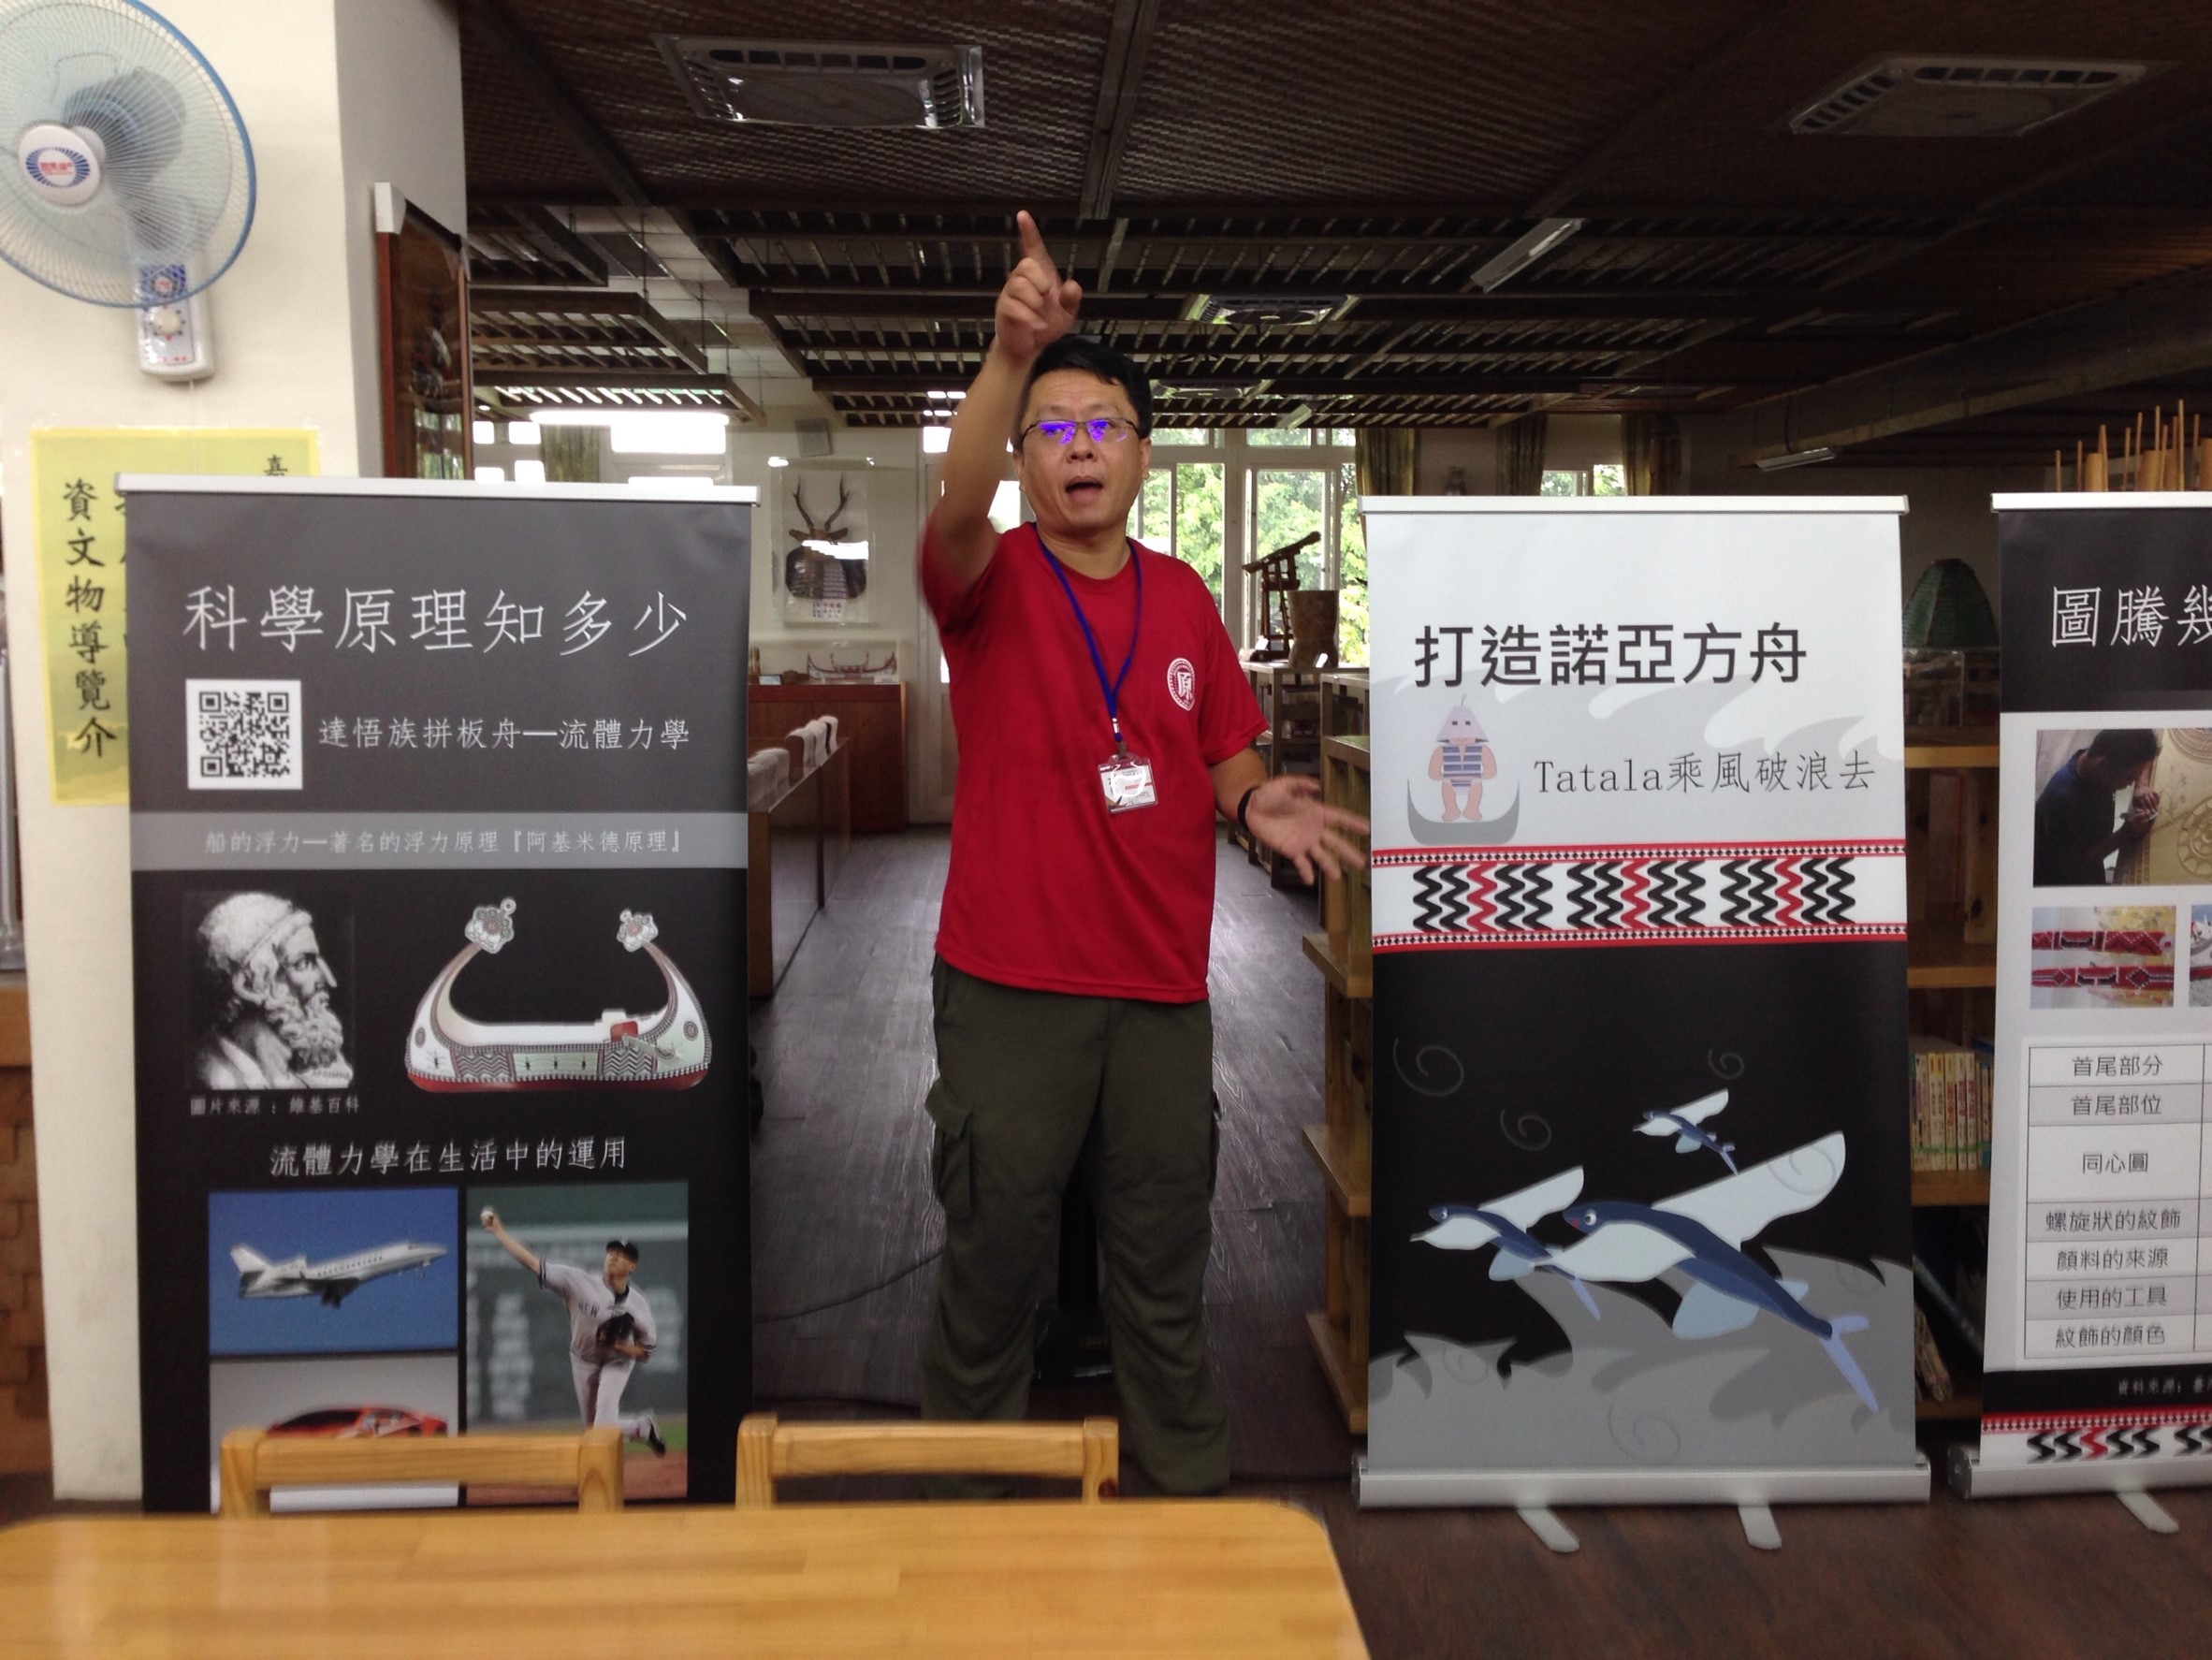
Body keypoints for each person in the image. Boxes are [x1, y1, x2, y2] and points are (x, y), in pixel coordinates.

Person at [916, 211, 1368, 1494]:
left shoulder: (1182, 598)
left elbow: (1222, 748)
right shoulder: (986, 579)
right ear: (1023, 456)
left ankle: (1186, 1500)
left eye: (1103, 426)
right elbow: (956, 500)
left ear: (1143, 452)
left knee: (1165, 1264)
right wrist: (1010, 354)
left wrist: (1253, 802)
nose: (1078, 447)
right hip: (1011, 987)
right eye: (1051, 429)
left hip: (1162, 993)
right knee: (993, 1260)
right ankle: (957, 1511)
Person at [480, 1208, 665, 1455]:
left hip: (617, 1361)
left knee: (602, 1426)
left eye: (622, 1255)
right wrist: (498, 1231)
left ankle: (611, 1465)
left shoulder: (638, 1305)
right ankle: (641, 1428)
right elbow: (531, 1262)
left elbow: (646, 1352)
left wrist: (620, 1346)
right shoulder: (579, 1282)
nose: (614, 1257)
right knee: (593, 1429)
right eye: (612, 1251)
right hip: (583, 1360)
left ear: (632, 1265)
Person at [193, 893, 352, 1089]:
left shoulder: (325, 1071)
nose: (329, 981)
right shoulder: (217, 1078)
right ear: (250, 987)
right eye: (303, 963)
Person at [2033, 729, 2162, 886]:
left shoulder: (2099, 756)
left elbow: (2145, 758)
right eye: (2129, 778)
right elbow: (2076, 866)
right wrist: (2124, 834)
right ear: (2103, 766)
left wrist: (2141, 785)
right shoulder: (2064, 802)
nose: (2130, 784)